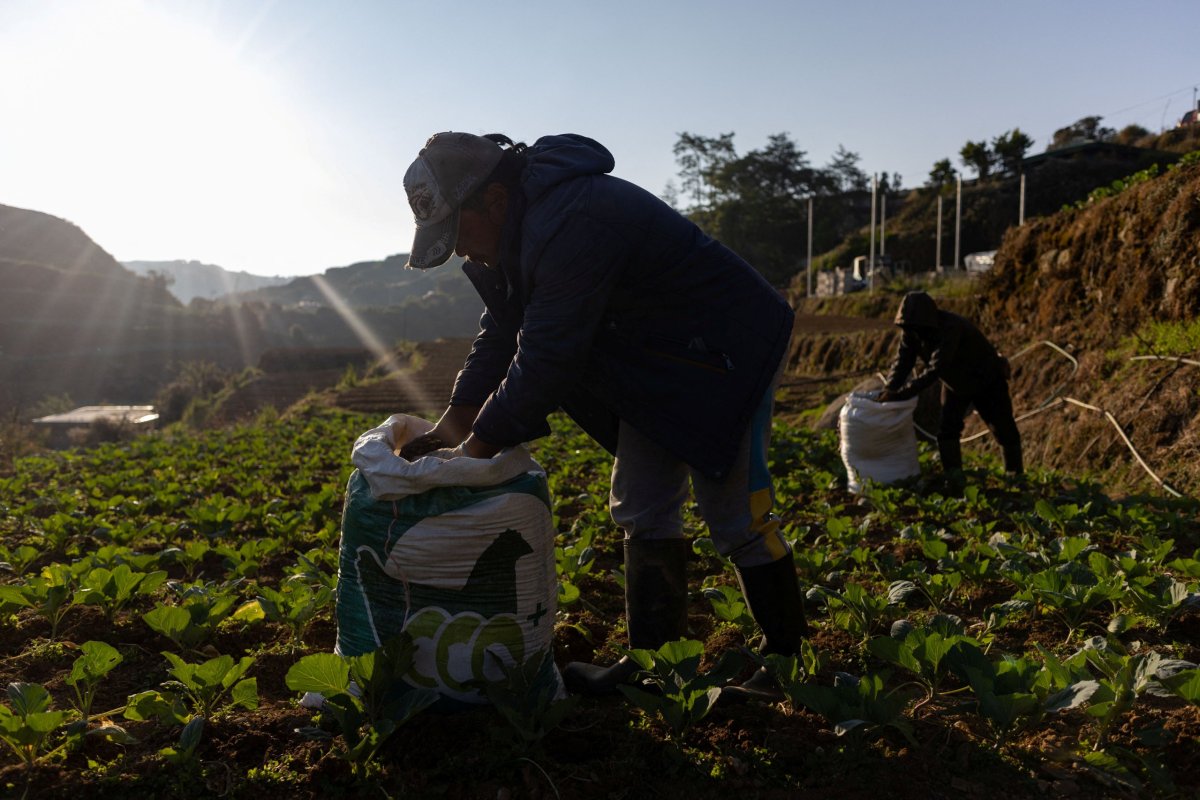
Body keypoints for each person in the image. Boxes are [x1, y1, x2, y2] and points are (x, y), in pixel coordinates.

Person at [396, 131, 806, 702]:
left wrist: (478, 450)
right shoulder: (520, 228)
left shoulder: (572, 219)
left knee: (735, 512)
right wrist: (456, 421)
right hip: (656, 359)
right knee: (642, 503)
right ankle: (654, 667)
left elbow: (547, 353)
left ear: (492, 199)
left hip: (726, 352)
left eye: (459, 234)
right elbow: (504, 327)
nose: (461, 251)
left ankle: (786, 665)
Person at [877, 291, 1023, 476]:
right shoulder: (911, 333)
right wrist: (890, 389)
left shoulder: (950, 328)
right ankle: (954, 479)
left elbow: (935, 368)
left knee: (1003, 429)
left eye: (916, 326)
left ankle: (1015, 477)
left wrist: (903, 393)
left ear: (927, 321)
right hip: (955, 383)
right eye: (908, 326)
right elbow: (902, 362)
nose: (913, 331)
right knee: (947, 431)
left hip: (986, 379)